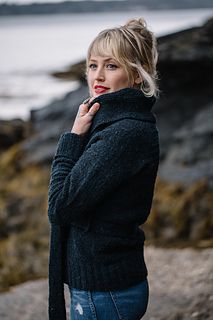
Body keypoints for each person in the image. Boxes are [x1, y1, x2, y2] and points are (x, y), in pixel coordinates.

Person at [48, 18, 159, 320]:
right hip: (108, 285)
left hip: (105, 292)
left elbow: (59, 206)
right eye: (92, 65)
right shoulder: (115, 123)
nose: (97, 75)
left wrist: (72, 139)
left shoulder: (122, 133)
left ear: (136, 74)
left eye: (111, 66)